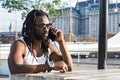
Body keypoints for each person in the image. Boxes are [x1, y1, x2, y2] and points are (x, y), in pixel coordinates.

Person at [8, 9, 73, 74]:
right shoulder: (20, 45)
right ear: (31, 27)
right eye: (42, 25)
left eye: (48, 25)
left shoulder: (48, 46)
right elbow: (15, 69)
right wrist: (50, 66)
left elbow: (68, 67)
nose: (46, 29)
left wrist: (61, 42)